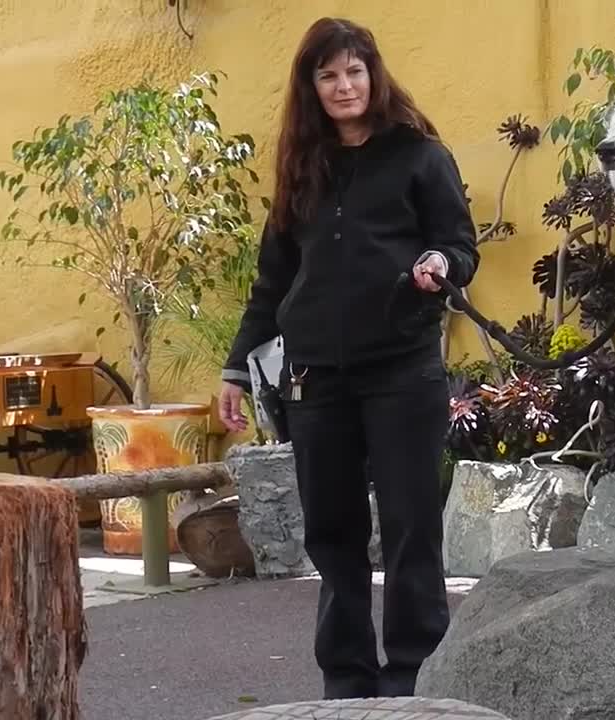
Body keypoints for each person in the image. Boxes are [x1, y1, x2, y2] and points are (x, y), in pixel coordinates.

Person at [217, 16, 479, 699]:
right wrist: (236, 368)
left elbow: (460, 245)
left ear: (374, 74)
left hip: (402, 368)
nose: (343, 85)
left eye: (354, 70)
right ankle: (347, 679)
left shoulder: (420, 155)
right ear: (312, 86)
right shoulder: (303, 166)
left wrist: (438, 260)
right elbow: (273, 283)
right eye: (328, 74)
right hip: (315, 380)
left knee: (410, 525)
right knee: (333, 535)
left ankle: (414, 676)